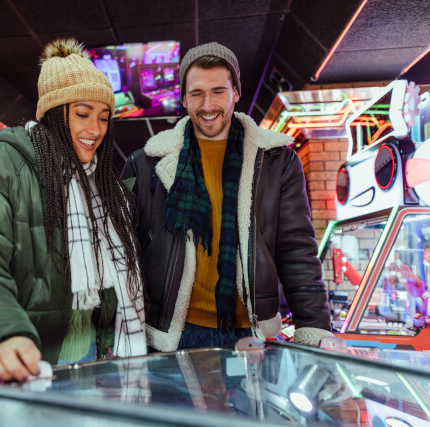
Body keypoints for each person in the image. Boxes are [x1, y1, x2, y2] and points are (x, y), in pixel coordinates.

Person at [0, 39, 147, 382]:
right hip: (23, 364)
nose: (95, 130)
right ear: (53, 113)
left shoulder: (106, 188)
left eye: (104, 118)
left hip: (94, 365)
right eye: (82, 114)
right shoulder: (2, 165)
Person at [121, 42, 334, 351]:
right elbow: (126, 254)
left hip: (247, 333)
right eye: (196, 93)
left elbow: (297, 251)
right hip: (169, 335)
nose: (208, 105)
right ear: (183, 98)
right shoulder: (145, 163)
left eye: (218, 91)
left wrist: (314, 328)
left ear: (236, 93)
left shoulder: (277, 162)